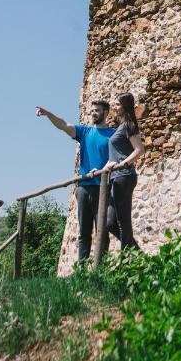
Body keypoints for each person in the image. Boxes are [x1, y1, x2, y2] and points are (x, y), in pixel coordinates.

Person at [36, 100, 115, 263]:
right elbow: (63, 125)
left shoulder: (113, 135)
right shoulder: (85, 132)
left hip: (104, 187)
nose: (93, 113)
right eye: (92, 110)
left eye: (97, 110)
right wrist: (49, 114)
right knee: (84, 232)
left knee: (102, 231)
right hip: (84, 188)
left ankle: (102, 268)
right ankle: (82, 269)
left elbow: (118, 157)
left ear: (106, 112)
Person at [102, 93, 145, 250]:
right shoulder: (120, 127)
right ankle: (137, 253)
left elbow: (139, 150)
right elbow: (114, 157)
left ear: (125, 106)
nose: (115, 107)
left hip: (125, 176)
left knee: (123, 222)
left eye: (118, 105)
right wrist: (100, 170)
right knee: (110, 222)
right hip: (116, 177)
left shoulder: (128, 125)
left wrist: (124, 164)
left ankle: (127, 263)